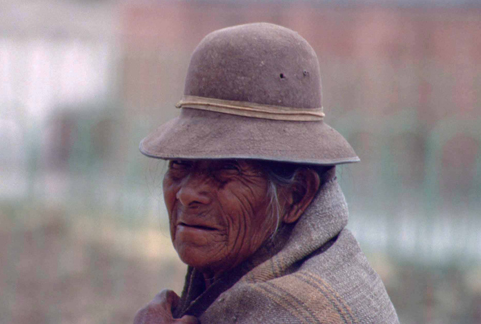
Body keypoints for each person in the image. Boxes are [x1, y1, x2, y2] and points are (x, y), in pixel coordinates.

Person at [134, 23, 399, 323]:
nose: (186, 193)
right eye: (180, 165)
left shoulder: (304, 311)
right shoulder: (238, 279)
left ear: (297, 195)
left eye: (227, 170)